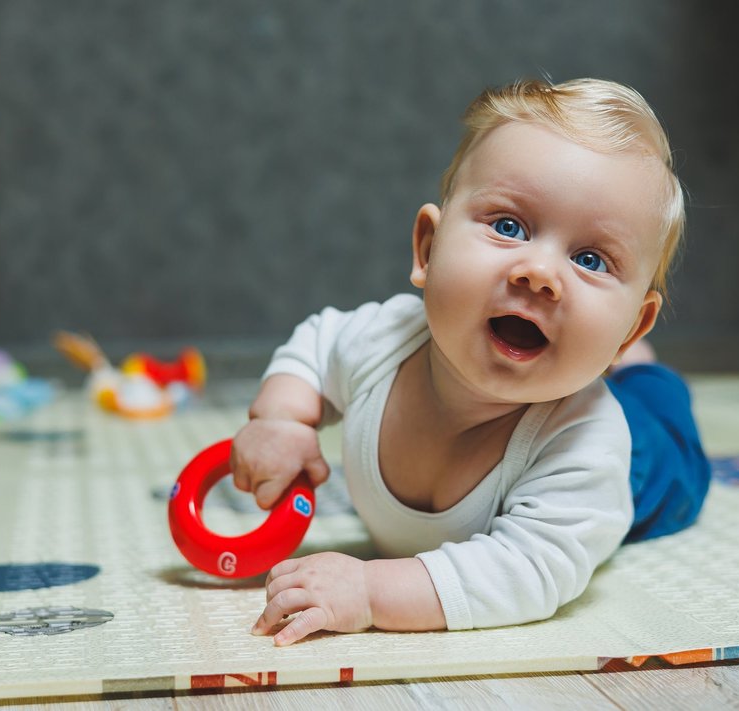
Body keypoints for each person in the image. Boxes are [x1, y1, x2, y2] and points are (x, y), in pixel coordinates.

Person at [230, 77, 710, 646]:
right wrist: (281, 418)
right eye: (509, 227)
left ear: (630, 325)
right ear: (428, 250)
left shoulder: (587, 443)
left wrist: (368, 590)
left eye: (590, 259)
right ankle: (624, 362)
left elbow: (528, 571)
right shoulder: (380, 339)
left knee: (660, 416)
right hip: (585, 377)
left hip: (640, 466)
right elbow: (315, 344)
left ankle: (642, 373)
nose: (539, 272)